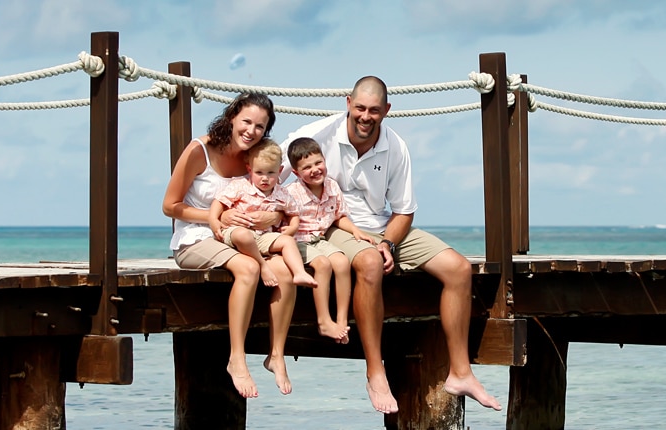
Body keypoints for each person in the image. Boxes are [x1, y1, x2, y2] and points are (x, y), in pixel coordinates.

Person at [280, 76, 501, 413]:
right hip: (334, 226)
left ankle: (461, 372)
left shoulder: (396, 146)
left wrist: (388, 244)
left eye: (373, 110)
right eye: (359, 108)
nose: (365, 117)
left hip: (383, 227)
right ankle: (375, 370)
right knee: (369, 262)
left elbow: (404, 211)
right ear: (347, 103)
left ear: (386, 110)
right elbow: (266, 177)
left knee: (458, 268)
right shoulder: (316, 136)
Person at [163, 93, 298, 398]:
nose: (251, 131)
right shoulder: (201, 150)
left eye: (260, 126)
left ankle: (276, 354)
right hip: (196, 238)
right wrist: (219, 215)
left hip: (244, 239)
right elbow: (170, 206)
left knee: (285, 272)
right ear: (232, 116)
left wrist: (273, 215)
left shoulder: (258, 156)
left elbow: (278, 196)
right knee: (249, 269)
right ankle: (236, 358)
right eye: (246, 122)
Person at [281, 136, 372, 344]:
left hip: (319, 238)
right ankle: (323, 320)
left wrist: (355, 231)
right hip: (299, 241)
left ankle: (341, 320)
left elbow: (339, 216)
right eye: (307, 167)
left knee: (341, 261)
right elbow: (281, 222)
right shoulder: (290, 193)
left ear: (324, 161)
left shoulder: (332, 187)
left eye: (318, 163)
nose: (314, 170)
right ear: (296, 172)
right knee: (322, 264)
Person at [208, 138, 317, 289]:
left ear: (279, 171)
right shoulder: (240, 186)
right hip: (237, 233)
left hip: (263, 237)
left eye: (271, 173)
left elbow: (293, 214)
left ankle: (299, 272)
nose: (265, 178)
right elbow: (219, 202)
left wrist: (292, 229)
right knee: (243, 235)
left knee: (288, 242)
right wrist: (214, 220)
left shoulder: (282, 193)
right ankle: (263, 265)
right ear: (249, 170)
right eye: (259, 173)